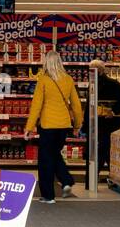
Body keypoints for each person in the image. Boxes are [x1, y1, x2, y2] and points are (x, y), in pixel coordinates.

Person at [24, 49, 83, 204]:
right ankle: (66, 180)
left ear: (46, 62)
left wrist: (29, 127)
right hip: (63, 125)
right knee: (55, 154)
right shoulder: (68, 79)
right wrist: (77, 124)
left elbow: (36, 105)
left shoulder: (43, 80)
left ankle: (48, 195)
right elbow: (76, 105)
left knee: (45, 160)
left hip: (48, 125)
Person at [88, 58, 120, 174]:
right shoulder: (93, 84)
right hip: (100, 122)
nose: (90, 72)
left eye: (92, 70)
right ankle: (113, 173)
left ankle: (96, 174)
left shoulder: (113, 84)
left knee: (104, 148)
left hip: (109, 122)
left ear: (99, 70)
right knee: (105, 148)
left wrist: (113, 112)